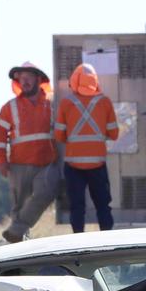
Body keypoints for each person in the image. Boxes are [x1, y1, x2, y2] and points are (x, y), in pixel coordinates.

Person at [0, 61, 58, 242]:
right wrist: (0, 160)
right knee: (18, 207)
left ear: (38, 79)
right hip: (18, 164)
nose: (25, 82)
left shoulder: (52, 103)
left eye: (29, 78)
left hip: (46, 163)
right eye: (21, 79)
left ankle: (17, 230)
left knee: (46, 192)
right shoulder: (9, 107)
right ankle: (20, 245)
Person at [55, 63, 119, 232]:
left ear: (74, 81)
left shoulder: (66, 103)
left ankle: (78, 243)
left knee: (77, 207)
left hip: (73, 165)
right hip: (98, 164)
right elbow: (114, 134)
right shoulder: (104, 102)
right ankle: (107, 241)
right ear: (95, 81)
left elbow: (59, 135)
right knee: (103, 205)